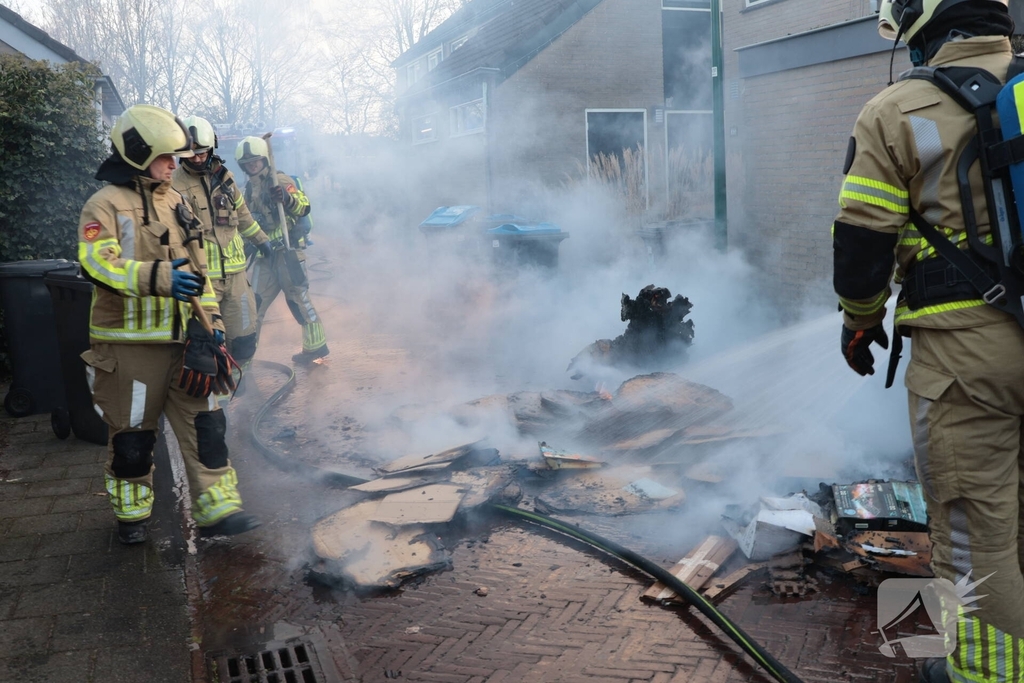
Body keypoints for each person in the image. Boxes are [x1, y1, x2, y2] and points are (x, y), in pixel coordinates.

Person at [832, 2, 1023, 681]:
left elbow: (861, 242)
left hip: (967, 361)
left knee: (972, 536)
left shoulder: (897, 108)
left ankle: (978, 674)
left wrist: (861, 320)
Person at [79, 104, 260, 544]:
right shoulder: (103, 205)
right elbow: (95, 264)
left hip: (186, 344)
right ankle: (132, 516)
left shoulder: (176, 201)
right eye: (165, 157)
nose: (173, 164)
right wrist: (157, 278)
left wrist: (212, 323)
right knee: (133, 438)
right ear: (139, 154)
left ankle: (218, 510)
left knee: (208, 427)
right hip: (130, 350)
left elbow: (201, 272)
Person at [172, 116, 272, 379]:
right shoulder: (173, 186)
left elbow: (244, 217)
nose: (196, 158)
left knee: (244, 338)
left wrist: (263, 241)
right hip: (204, 282)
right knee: (210, 345)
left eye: (202, 152)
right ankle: (219, 400)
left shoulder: (225, 178)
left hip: (238, 276)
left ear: (211, 148)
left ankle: (241, 384)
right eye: (191, 153)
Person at [235, 136, 329, 364]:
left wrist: (286, 198)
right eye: (247, 163)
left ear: (265, 160)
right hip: (264, 256)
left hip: (287, 253)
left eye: (256, 161)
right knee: (253, 303)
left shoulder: (280, 179)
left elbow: (303, 206)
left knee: (298, 299)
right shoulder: (247, 189)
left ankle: (316, 346)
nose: (252, 166)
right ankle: (245, 359)